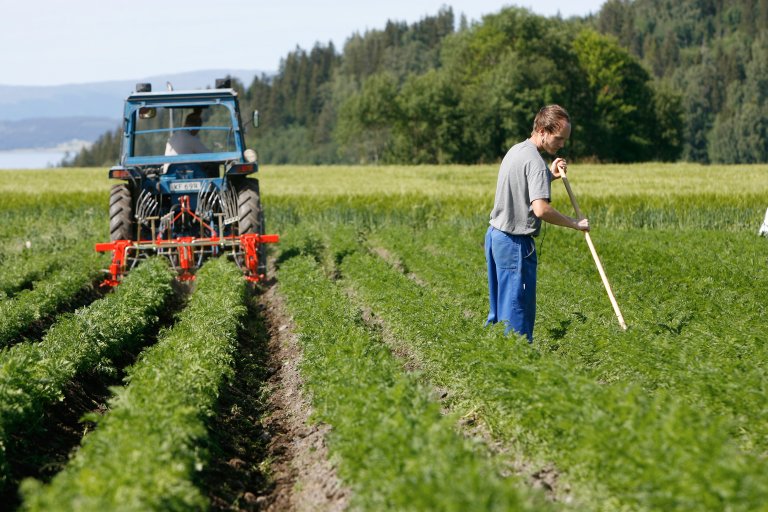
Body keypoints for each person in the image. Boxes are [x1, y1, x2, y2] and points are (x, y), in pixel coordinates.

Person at [485, 105, 589, 341]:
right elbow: (541, 209)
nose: (562, 144)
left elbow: (525, 184)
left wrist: (548, 175)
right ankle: (516, 368)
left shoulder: (517, 150)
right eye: (559, 138)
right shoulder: (534, 161)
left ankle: (495, 363)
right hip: (515, 245)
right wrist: (575, 223)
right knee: (517, 316)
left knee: (500, 312)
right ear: (542, 130)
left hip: (496, 237)